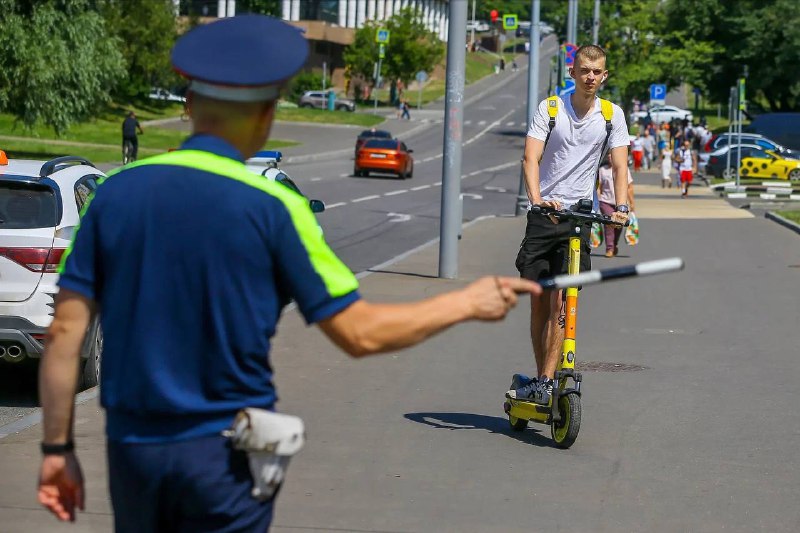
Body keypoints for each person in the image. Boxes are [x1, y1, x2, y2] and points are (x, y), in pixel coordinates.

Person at [36, 15, 540, 531]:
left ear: (190, 106)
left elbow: (64, 335)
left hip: (134, 450)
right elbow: (359, 333)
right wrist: (464, 302)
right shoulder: (275, 209)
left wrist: (56, 450)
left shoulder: (113, 194)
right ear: (267, 112)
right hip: (227, 458)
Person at [510, 44, 629, 405]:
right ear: (572, 72)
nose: (590, 77)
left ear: (604, 76)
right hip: (544, 216)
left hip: (579, 217)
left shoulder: (611, 115)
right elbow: (530, 158)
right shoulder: (550, 109)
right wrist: (536, 200)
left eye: (597, 72)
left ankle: (547, 381)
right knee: (539, 302)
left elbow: (620, 166)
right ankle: (540, 377)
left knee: (563, 302)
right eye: (584, 70)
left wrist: (621, 207)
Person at [597, 155, 636, 257]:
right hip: (605, 201)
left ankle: (614, 244)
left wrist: (632, 202)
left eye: (612, 156)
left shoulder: (624, 169)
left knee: (619, 224)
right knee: (609, 224)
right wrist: (597, 198)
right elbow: (599, 186)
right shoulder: (602, 170)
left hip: (620, 204)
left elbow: (629, 187)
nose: (611, 158)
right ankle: (609, 248)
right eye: (609, 156)